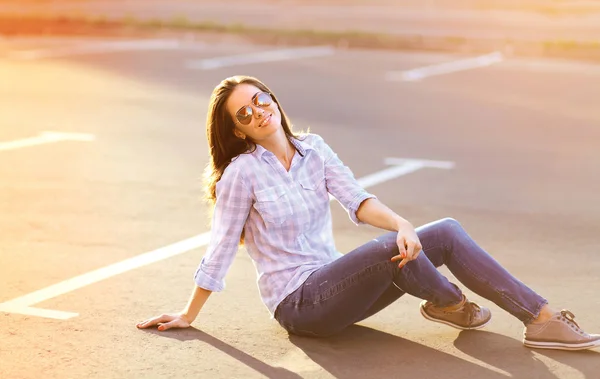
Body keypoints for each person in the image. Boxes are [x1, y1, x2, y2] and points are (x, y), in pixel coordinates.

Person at [137, 75, 599, 351]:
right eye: (243, 114)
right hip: (300, 305)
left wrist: (400, 222)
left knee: (442, 232)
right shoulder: (240, 175)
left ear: (273, 100)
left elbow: (357, 201)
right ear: (238, 132)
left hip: (336, 286)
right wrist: (188, 313)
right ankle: (449, 302)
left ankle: (540, 318)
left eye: (260, 99)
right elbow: (220, 247)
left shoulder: (313, 150)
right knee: (388, 252)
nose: (257, 112)